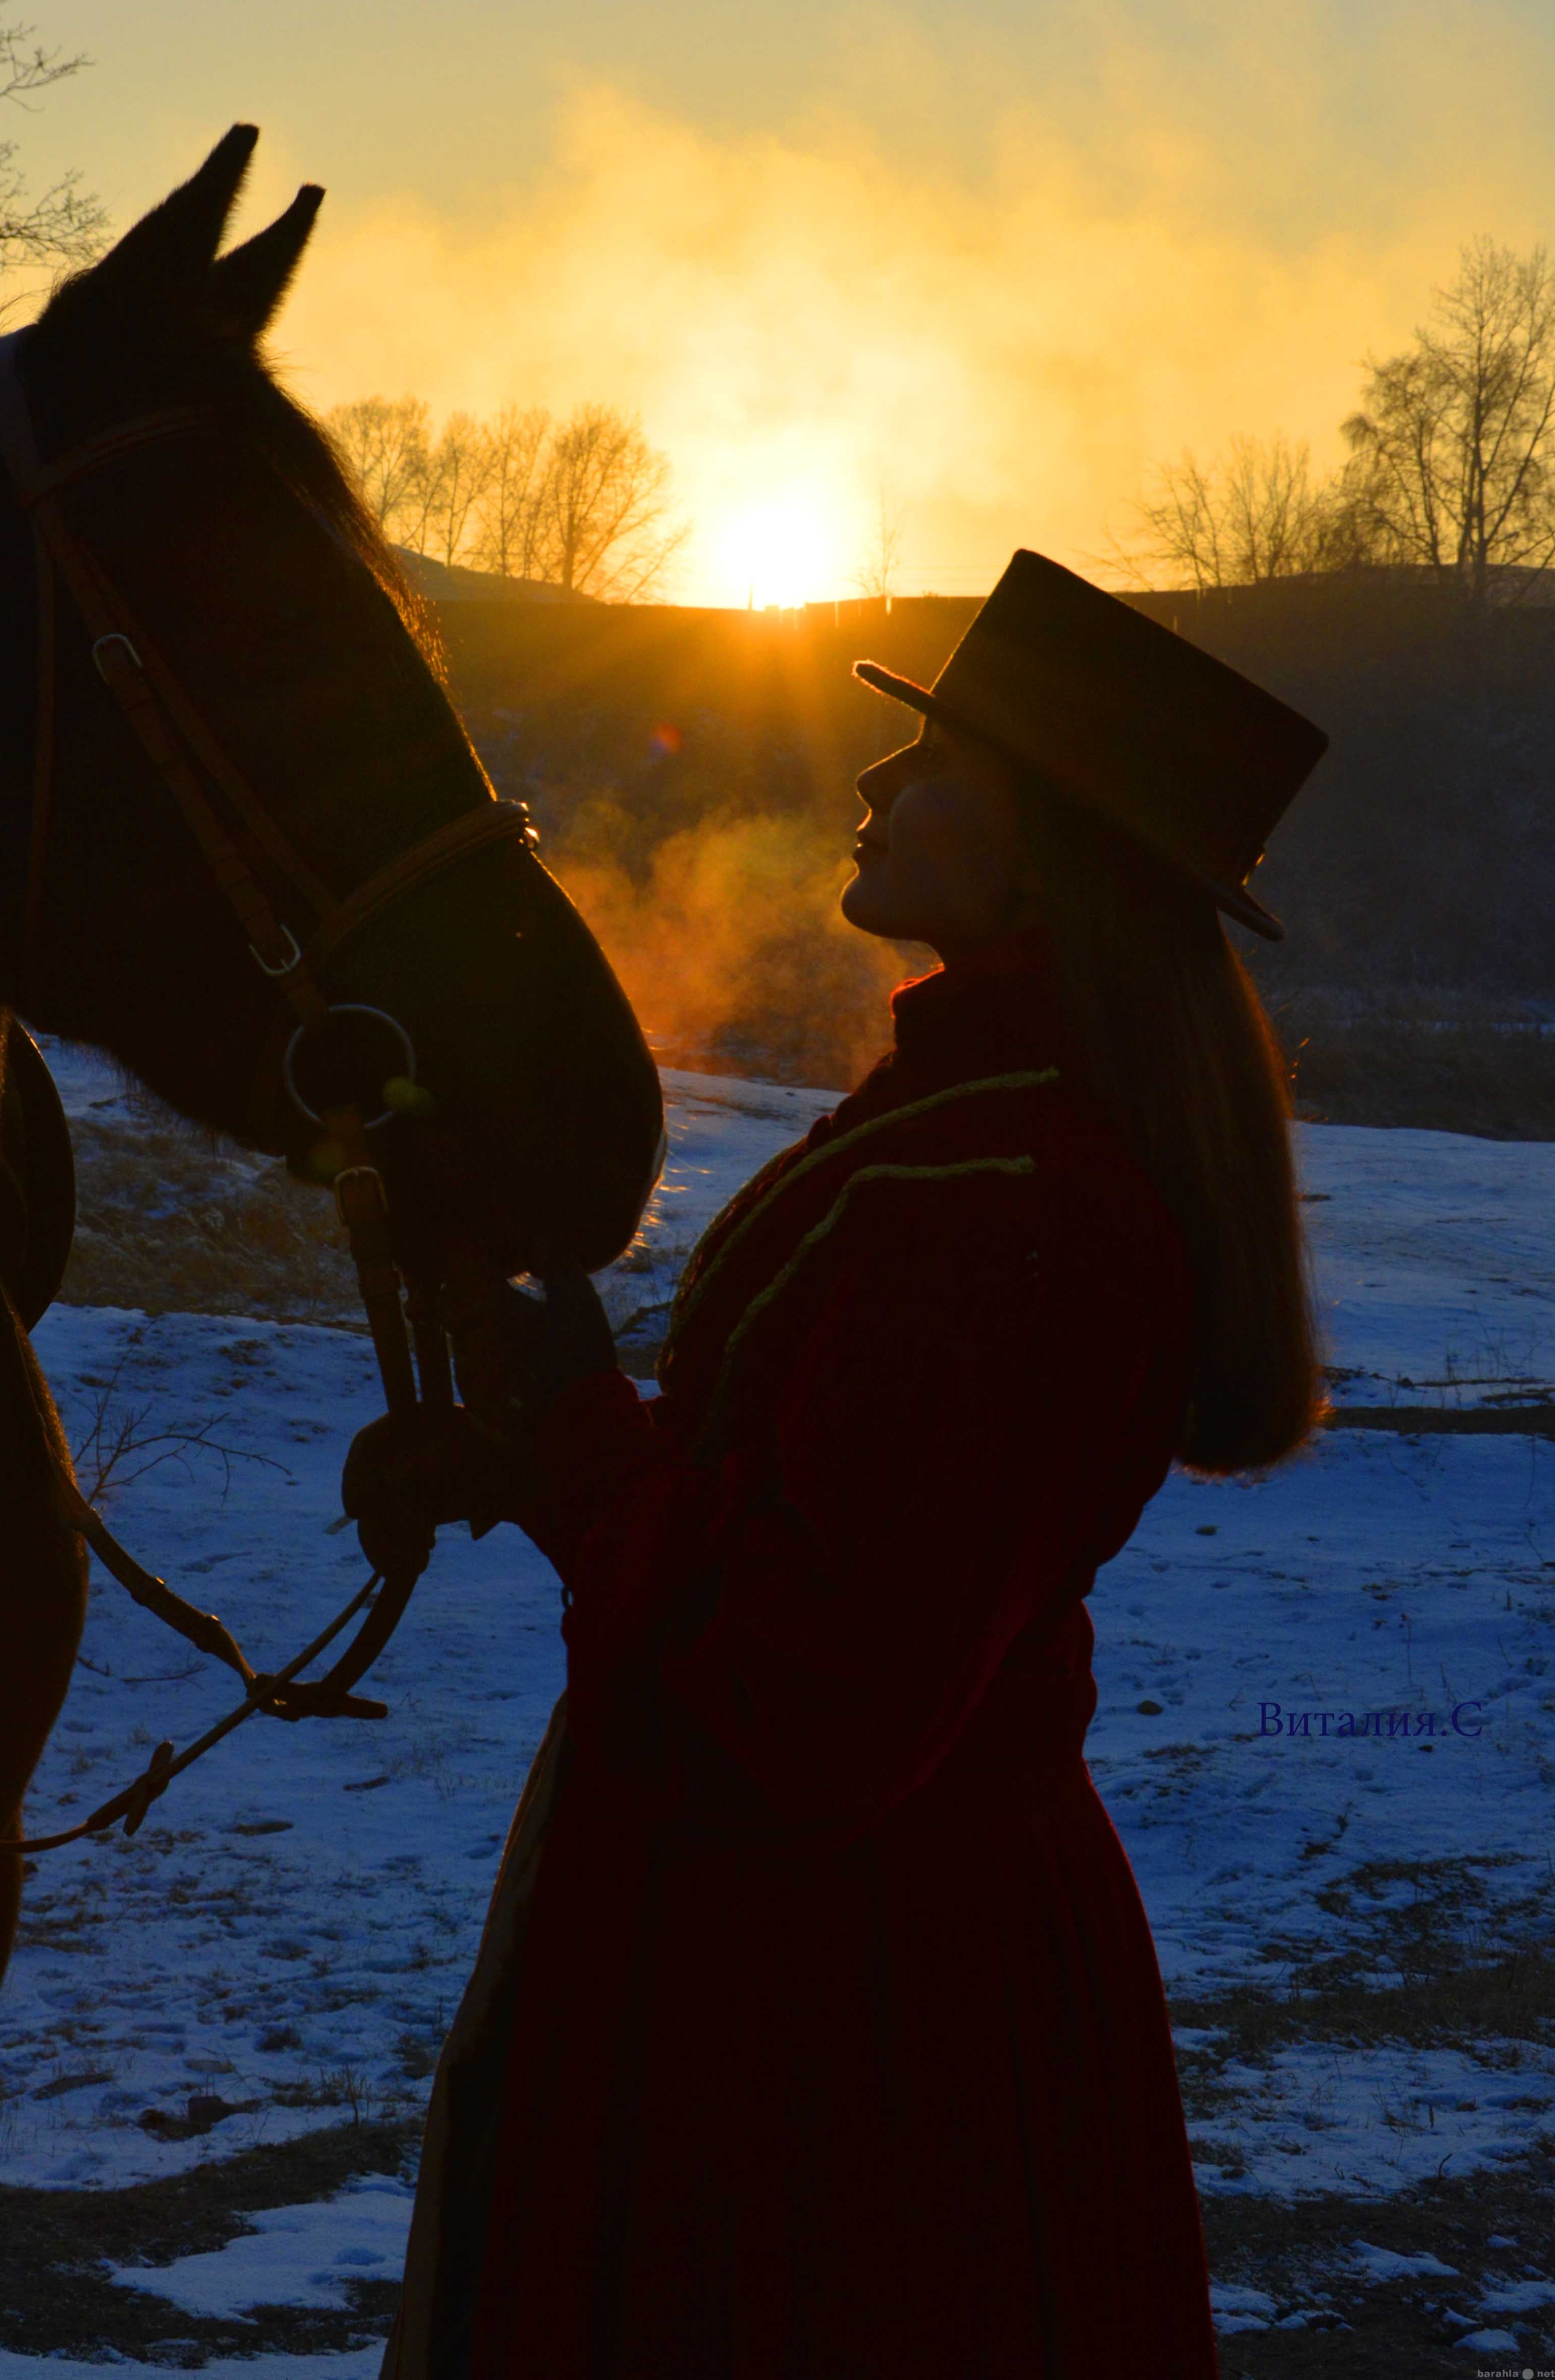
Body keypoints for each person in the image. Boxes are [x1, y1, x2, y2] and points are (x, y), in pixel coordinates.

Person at [358, 549, 1332, 2380]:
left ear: (1054, 845)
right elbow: (811, 1543)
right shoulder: (981, 1125)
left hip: (846, 2029)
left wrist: (579, 1428)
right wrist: (536, 1454)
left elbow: (798, 1706)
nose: (879, 785)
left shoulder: (1011, 1200)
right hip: (856, 1962)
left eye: (941, 760)